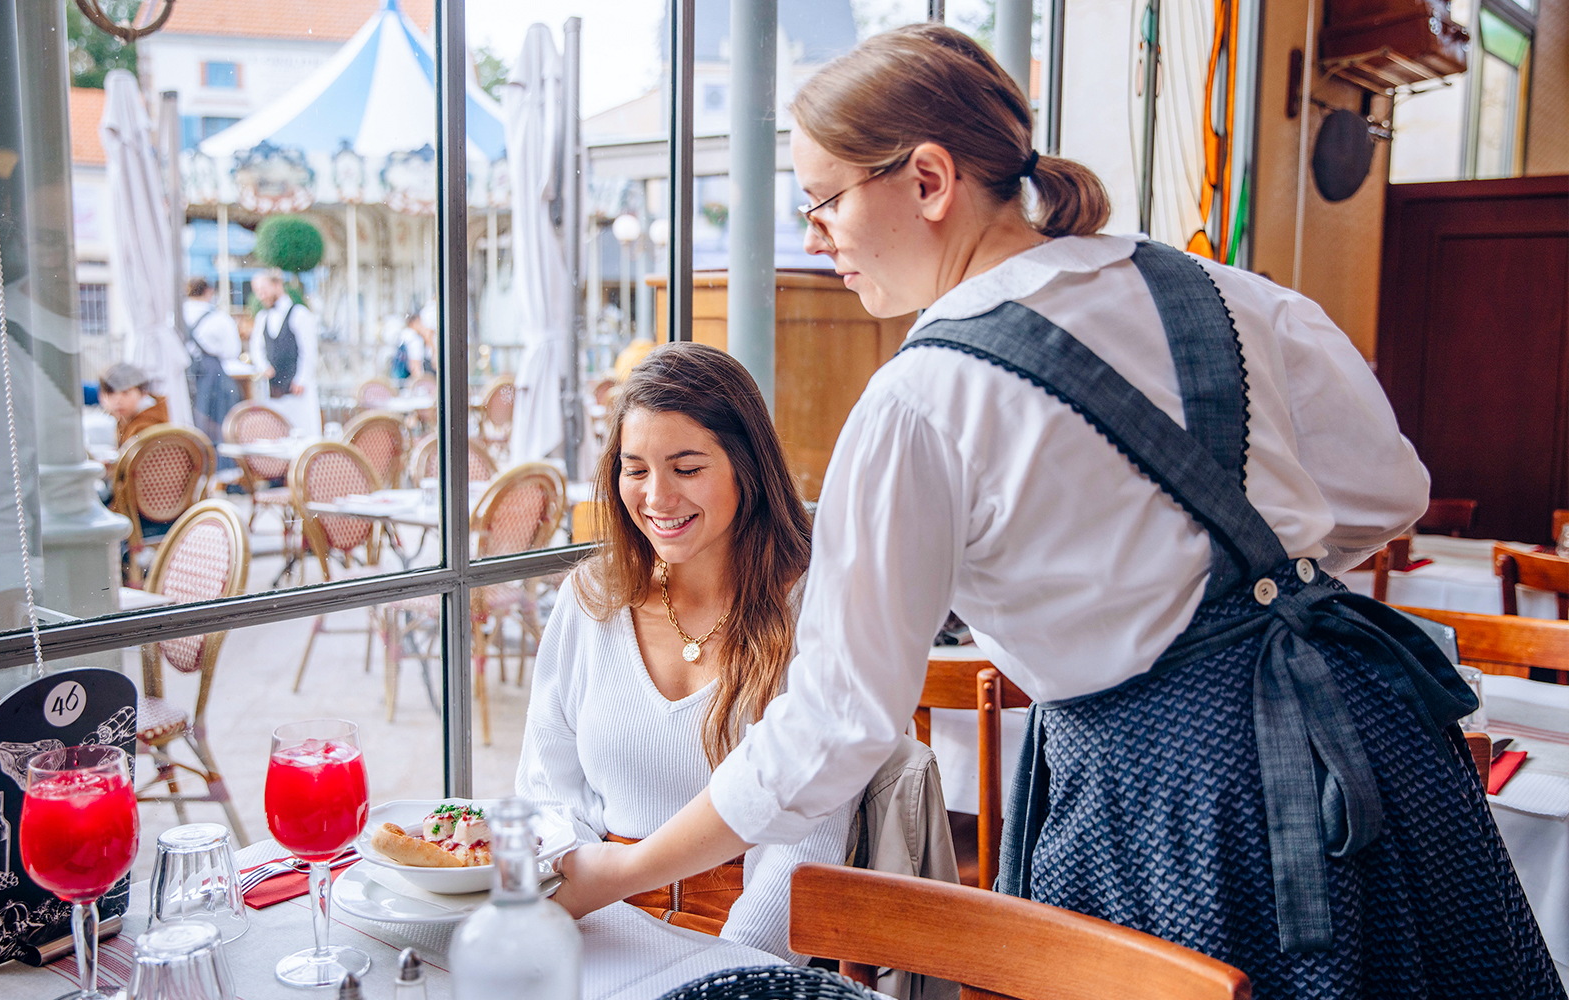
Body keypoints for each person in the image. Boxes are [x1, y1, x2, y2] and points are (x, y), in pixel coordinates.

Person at [553, 24, 1564, 998]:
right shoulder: (1222, 290)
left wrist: (615, 872)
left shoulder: (921, 398)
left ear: (928, 180)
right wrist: (1241, 589)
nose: (817, 235)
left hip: (1176, 801)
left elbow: (831, 723)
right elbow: (1388, 491)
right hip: (1369, 738)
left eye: (822, 200)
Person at [517, 342, 855, 962]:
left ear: (746, 468)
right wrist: (581, 915)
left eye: (687, 467)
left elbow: (809, 836)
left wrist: (728, 969)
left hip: (746, 937)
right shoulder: (591, 599)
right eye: (635, 467)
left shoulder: (813, 606)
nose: (656, 497)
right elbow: (547, 790)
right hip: (595, 919)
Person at [249, 269, 321, 436]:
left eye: (263, 289)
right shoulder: (262, 317)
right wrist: (263, 366)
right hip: (273, 389)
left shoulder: (299, 314)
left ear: (277, 284)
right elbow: (256, 347)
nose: (261, 295)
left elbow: (309, 351)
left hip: (296, 389)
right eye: (257, 291)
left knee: (302, 432)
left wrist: (301, 379)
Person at [182, 276, 243, 445]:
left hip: (183, 376)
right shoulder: (219, 318)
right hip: (212, 376)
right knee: (217, 423)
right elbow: (232, 351)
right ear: (208, 291)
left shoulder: (175, 317)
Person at [97, 361, 167, 445]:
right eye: (111, 393)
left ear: (143, 392)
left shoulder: (146, 426)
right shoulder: (125, 418)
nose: (118, 401)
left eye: (126, 392)